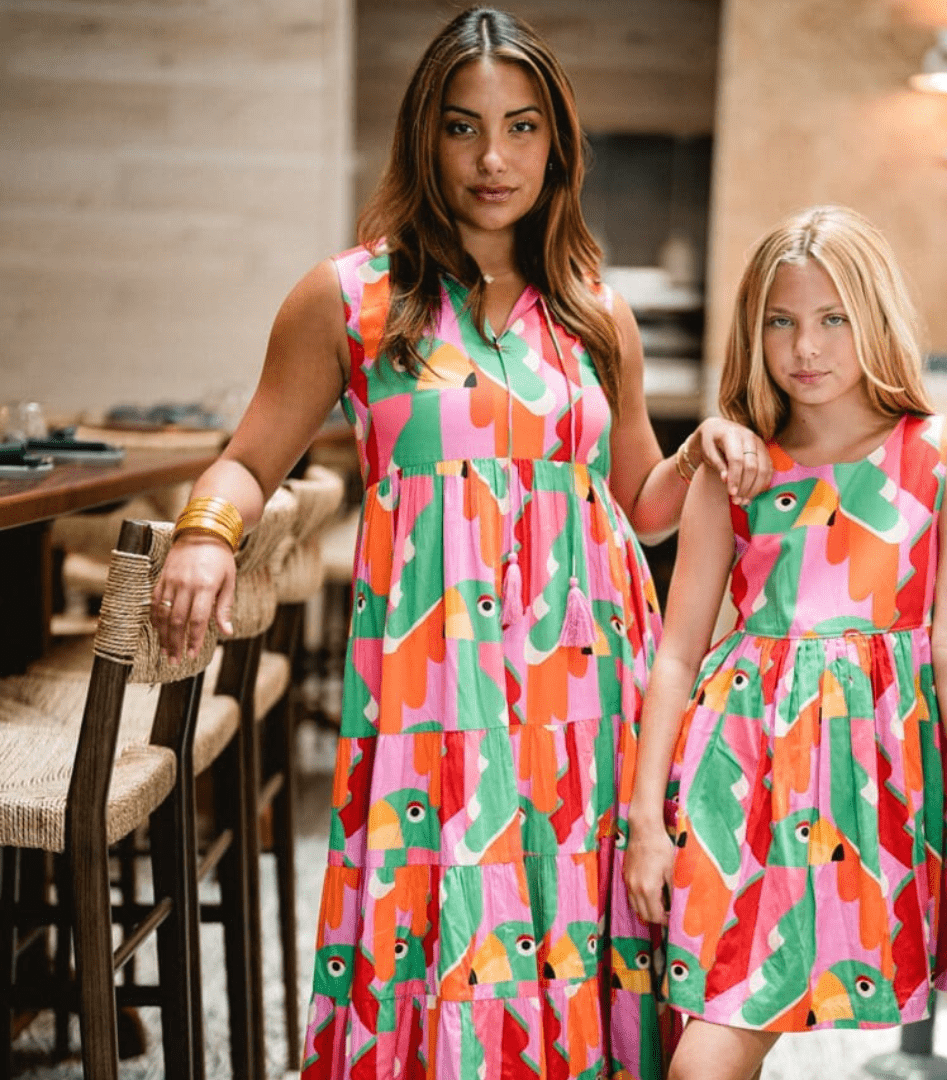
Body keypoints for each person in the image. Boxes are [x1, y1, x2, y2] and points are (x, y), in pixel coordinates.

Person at [151, 8, 774, 1078]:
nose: (495, 158)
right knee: (436, 909)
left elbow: (644, 502)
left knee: (573, 901)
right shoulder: (350, 298)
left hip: (586, 684)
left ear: (557, 144)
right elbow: (247, 461)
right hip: (432, 679)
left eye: (523, 128)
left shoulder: (594, 312)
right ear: (422, 138)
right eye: (464, 127)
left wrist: (710, 444)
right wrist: (207, 535)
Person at [621, 205, 947, 1080]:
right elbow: (677, 651)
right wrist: (647, 821)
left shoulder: (945, 454)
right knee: (704, 1053)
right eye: (783, 322)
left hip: (874, 781)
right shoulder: (737, 467)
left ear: (876, 321)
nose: (808, 348)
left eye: (834, 319)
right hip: (739, 782)